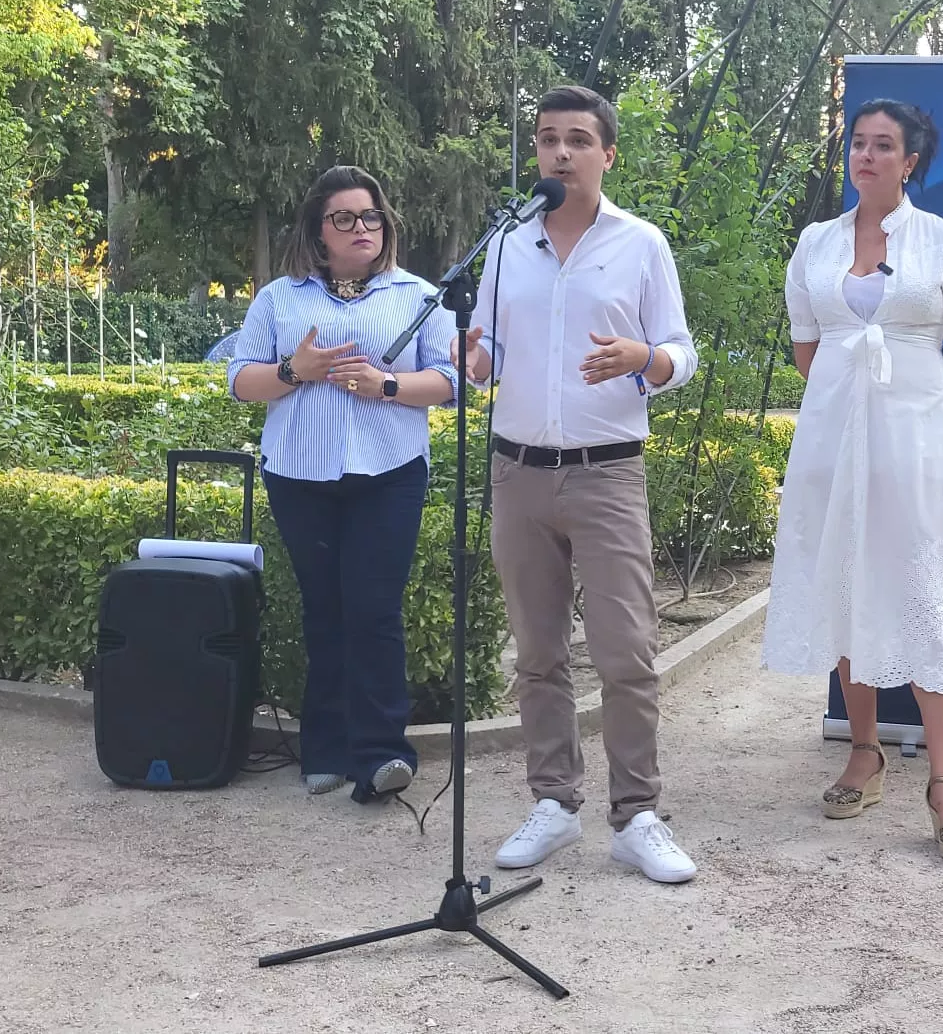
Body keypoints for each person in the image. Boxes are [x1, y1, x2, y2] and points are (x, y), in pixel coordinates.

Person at [450, 86, 701, 884]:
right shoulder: (506, 244)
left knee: (626, 651)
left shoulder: (641, 244)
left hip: (607, 472)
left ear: (607, 154)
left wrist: (644, 360)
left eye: (578, 140)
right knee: (537, 652)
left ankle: (637, 815)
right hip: (517, 469)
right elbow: (484, 345)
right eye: (548, 139)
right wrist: (472, 360)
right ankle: (554, 801)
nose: (560, 153)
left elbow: (682, 353)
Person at [759, 98, 943, 865]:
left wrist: (914, 424)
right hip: (831, 443)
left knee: (925, 591)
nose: (866, 155)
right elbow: (809, 351)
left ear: (911, 159)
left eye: (883, 145)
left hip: (915, 447)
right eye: (857, 143)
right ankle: (865, 751)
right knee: (848, 585)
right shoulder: (815, 242)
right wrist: (849, 415)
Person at [228, 165, 459, 804]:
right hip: (301, 475)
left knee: (375, 611)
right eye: (345, 219)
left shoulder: (418, 296)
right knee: (323, 610)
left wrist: (384, 384)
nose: (362, 228)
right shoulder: (280, 297)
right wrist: (293, 369)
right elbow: (241, 381)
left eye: (371, 217)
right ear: (317, 230)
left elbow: (453, 380)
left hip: (388, 475)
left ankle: (383, 753)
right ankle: (324, 748)